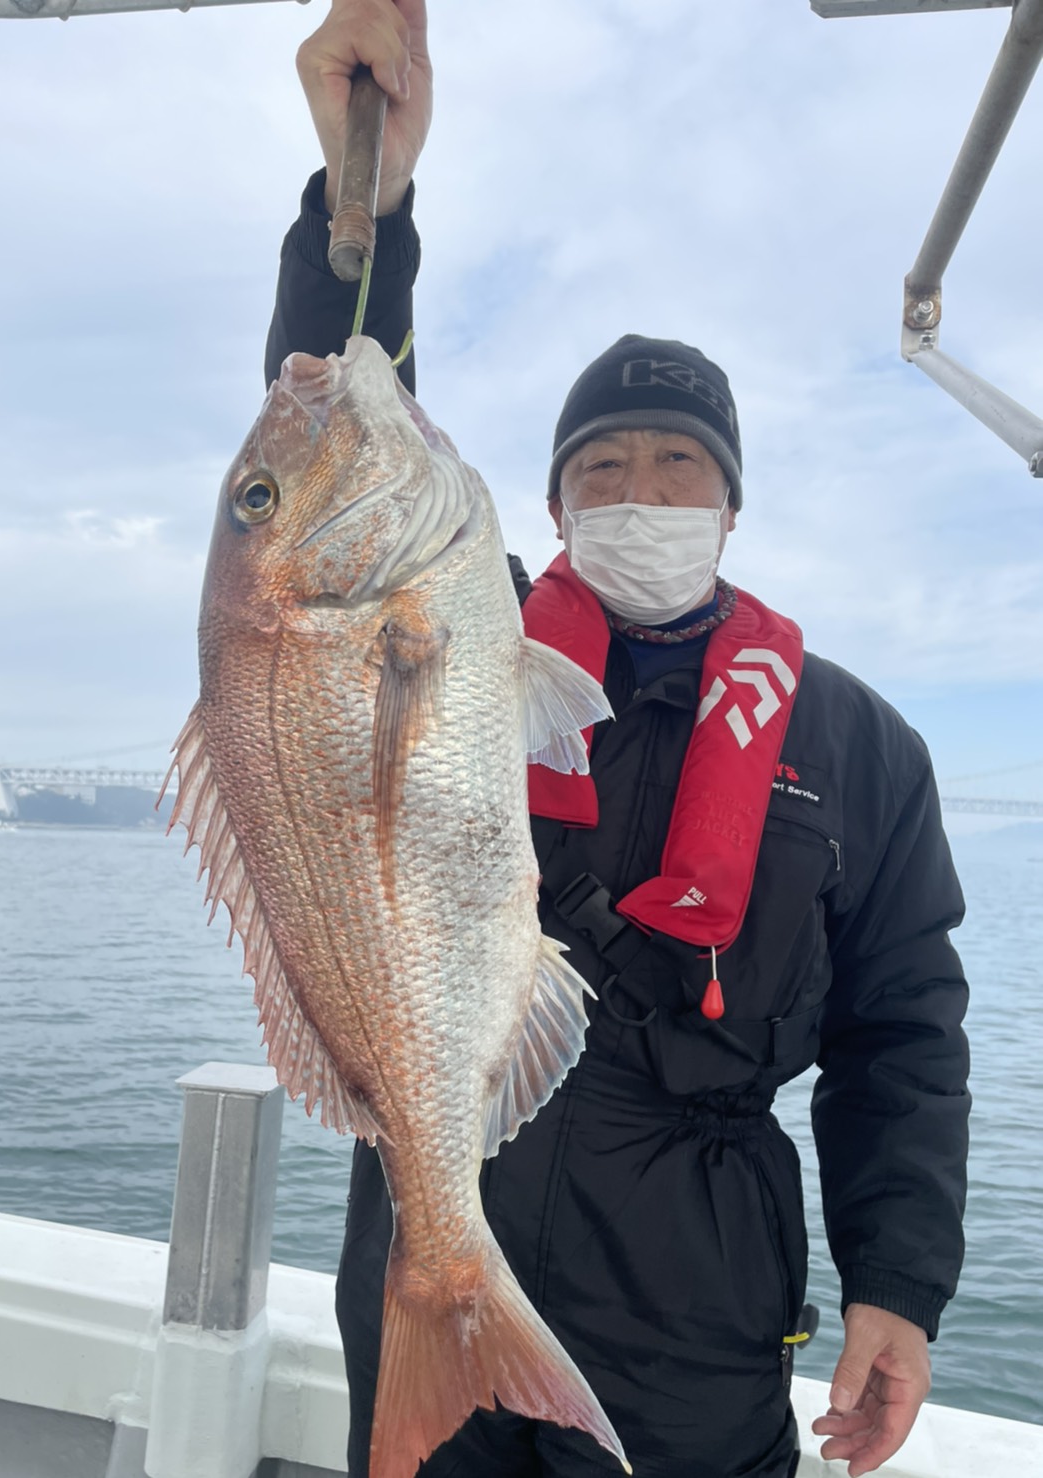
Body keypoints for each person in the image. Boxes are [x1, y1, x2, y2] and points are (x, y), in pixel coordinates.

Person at [264, 4, 971, 1476]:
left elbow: (903, 1029)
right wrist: (362, 202)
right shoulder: (458, 637)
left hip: (693, 1301)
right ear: (550, 503)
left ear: (732, 503)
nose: (637, 491)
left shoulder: (863, 746)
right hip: (439, 1213)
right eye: (600, 465)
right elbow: (328, 472)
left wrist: (898, 1281)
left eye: (676, 464)